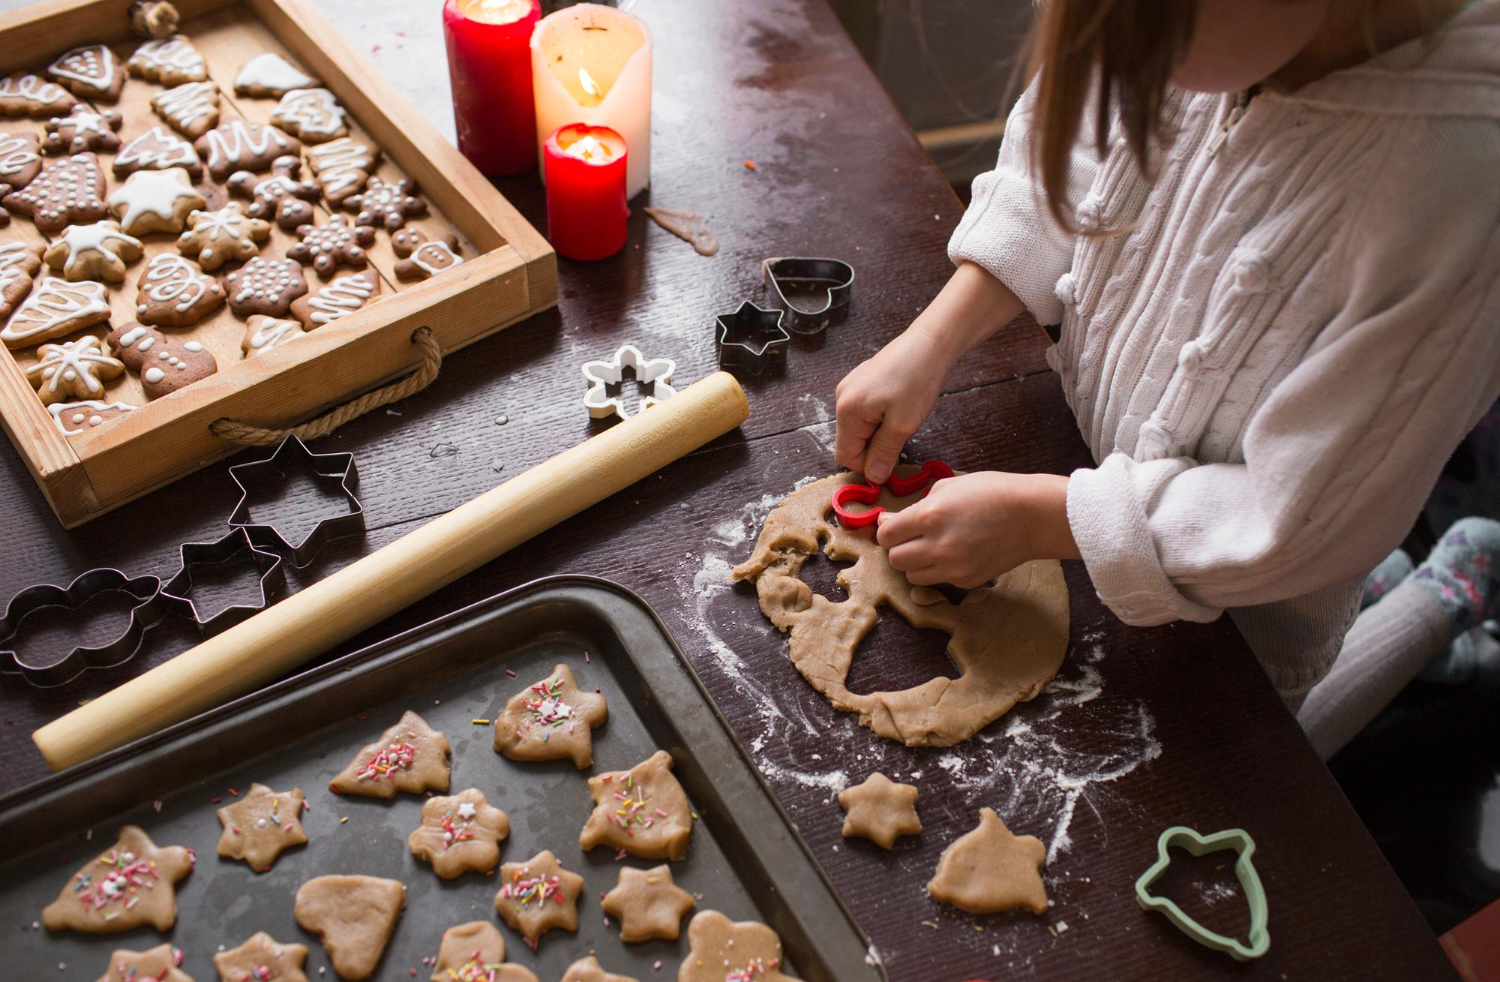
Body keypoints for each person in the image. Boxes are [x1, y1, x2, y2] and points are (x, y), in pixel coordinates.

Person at [833, 0, 1500, 740]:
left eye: (1146, 28)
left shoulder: (1461, 190)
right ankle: (1401, 572)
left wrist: (1040, 519)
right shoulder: (1198, 27)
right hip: (1077, 469)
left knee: (1271, 761)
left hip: (1238, 606)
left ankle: (1444, 593)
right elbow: (1074, 159)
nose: (1119, 52)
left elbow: (1308, 521)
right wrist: (934, 338)